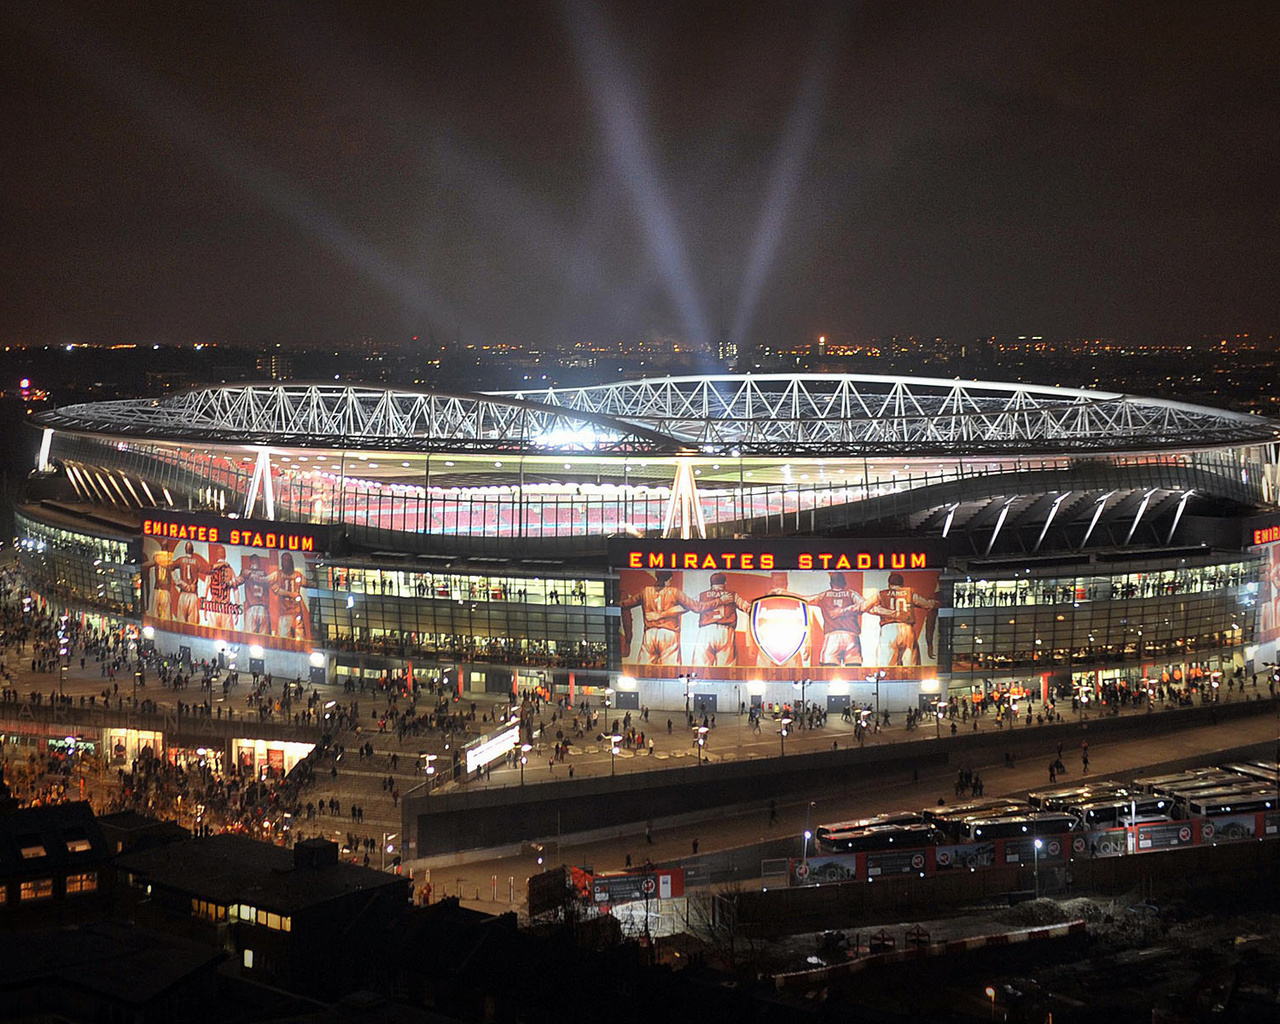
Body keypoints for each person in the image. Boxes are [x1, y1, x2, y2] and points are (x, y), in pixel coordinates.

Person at [771, 572, 871, 666]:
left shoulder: (823, 596)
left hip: (832, 637)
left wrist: (785, 593)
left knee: (829, 671)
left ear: (831, 584)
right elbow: (867, 606)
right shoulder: (852, 594)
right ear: (844, 583)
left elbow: (805, 599)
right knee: (853, 671)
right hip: (852, 637)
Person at [620, 571, 703, 665]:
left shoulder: (646, 592)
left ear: (656, 577)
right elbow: (694, 607)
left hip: (649, 634)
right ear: (670, 579)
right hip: (669, 633)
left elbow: (625, 604)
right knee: (670, 671)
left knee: (643, 671)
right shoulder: (675, 592)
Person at [865, 572, 940, 667]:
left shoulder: (881, 594)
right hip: (907, 628)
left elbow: (866, 607)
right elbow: (928, 605)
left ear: (889, 584)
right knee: (910, 665)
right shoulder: (910, 593)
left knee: (888, 667)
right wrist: (936, 603)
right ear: (902, 584)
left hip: (888, 629)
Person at [692, 573, 752, 666]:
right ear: (725, 583)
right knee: (725, 670)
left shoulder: (702, 595)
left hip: (706, 631)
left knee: (699, 669)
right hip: (725, 632)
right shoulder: (732, 595)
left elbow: (691, 606)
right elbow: (747, 607)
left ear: (711, 584)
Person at [269, 551, 309, 639]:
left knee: (300, 640)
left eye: (288, 560)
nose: (286, 563)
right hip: (284, 613)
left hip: (296, 613)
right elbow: (267, 582)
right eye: (285, 560)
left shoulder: (297, 575)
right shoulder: (277, 574)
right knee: (284, 641)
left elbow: (308, 583)